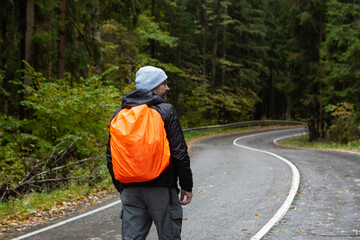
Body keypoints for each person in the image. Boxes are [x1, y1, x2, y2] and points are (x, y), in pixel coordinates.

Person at [106, 66, 193, 240]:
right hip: (162, 187)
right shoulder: (165, 111)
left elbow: (111, 156)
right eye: (164, 84)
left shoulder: (120, 113)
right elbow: (179, 153)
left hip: (130, 189)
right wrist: (186, 185)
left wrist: (122, 186)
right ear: (154, 86)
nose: (167, 88)